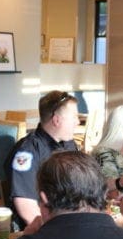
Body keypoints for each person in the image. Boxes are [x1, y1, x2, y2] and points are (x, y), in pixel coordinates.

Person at [4, 90, 80, 230]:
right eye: (74, 117)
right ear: (57, 120)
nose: (78, 121)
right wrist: (55, 233)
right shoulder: (27, 152)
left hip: (71, 221)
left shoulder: (69, 144)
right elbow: (26, 205)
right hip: (45, 230)